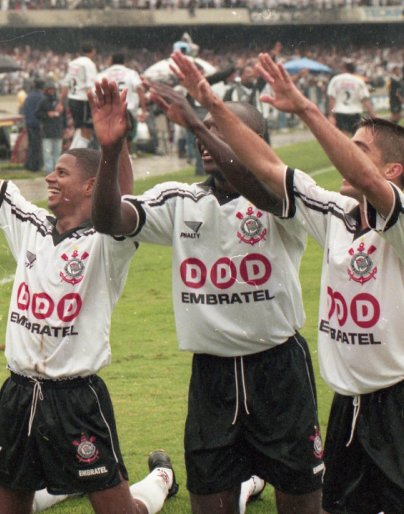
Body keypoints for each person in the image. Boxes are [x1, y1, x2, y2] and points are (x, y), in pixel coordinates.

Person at [213, 52, 404, 514]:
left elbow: (364, 176)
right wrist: (211, 107)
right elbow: (266, 167)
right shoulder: (332, 212)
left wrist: (308, 110)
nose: (346, 154)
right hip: (348, 406)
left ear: (393, 172)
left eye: (359, 147)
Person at [93, 53, 320, 514]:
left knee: (302, 506)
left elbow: (264, 189)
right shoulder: (180, 200)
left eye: (223, 132)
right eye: (206, 132)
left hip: (277, 370)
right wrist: (111, 149)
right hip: (212, 376)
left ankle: (255, 481)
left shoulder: (286, 199)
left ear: (255, 142)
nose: (206, 141)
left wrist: (199, 125)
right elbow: (109, 220)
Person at [0, 80, 177, 514]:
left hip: (76, 400)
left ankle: (160, 479)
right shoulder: (31, 225)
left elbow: (124, 196)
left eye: (61, 173)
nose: (49, 178)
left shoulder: (108, 242)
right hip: (18, 395)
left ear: (91, 186)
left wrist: (113, 145)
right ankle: (63, 483)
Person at [97, 52, 147, 151]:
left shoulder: (103, 74)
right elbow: (140, 89)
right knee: (128, 139)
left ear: (111, 61)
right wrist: (143, 110)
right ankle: (128, 161)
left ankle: (114, 163)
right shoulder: (131, 73)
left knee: (111, 140)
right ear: (124, 62)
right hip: (127, 109)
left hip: (110, 111)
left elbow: (96, 92)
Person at [61, 42, 98, 149]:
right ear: (93, 51)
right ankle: (76, 160)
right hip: (83, 100)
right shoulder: (89, 64)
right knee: (87, 133)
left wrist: (61, 102)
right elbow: (89, 86)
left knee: (80, 131)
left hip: (72, 99)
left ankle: (71, 155)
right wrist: (95, 103)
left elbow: (65, 83)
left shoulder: (73, 63)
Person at [327, 62, 376, 136]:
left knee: (344, 138)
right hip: (355, 112)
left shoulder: (336, 80)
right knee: (356, 138)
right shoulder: (359, 81)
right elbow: (365, 100)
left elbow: (332, 99)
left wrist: (331, 115)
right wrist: (374, 115)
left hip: (340, 112)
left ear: (344, 69)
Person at [38, 81, 64, 174]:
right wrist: (47, 114)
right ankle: (49, 172)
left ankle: (57, 171)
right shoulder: (43, 102)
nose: (51, 91)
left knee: (57, 154)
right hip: (47, 132)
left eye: (52, 89)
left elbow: (64, 116)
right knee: (47, 154)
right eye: (50, 89)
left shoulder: (59, 101)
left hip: (57, 131)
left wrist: (65, 128)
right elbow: (37, 114)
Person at [21, 80, 45, 172]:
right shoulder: (41, 97)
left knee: (31, 144)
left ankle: (28, 164)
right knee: (37, 146)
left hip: (29, 123)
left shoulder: (29, 96)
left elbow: (24, 109)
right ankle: (35, 166)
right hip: (37, 124)